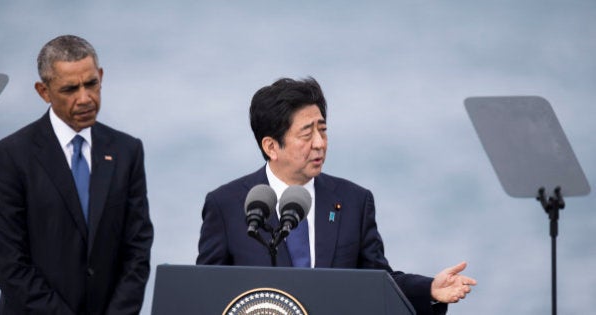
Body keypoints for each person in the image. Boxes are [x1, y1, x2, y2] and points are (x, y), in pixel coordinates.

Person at [196, 77, 476, 314]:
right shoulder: (227, 205)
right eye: (307, 134)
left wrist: (430, 289)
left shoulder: (354, 201)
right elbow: (204, 294)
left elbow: (379, 282)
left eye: (323, 131)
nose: (319, 144)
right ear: (271, 146)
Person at [0, 35, 154, 314]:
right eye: (70, 89)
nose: (85, 98)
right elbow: (10, 264)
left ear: (100, 76)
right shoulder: (9, 157)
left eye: (91, 84)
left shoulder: (127, 150)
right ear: (44, 91)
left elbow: (137, 248)